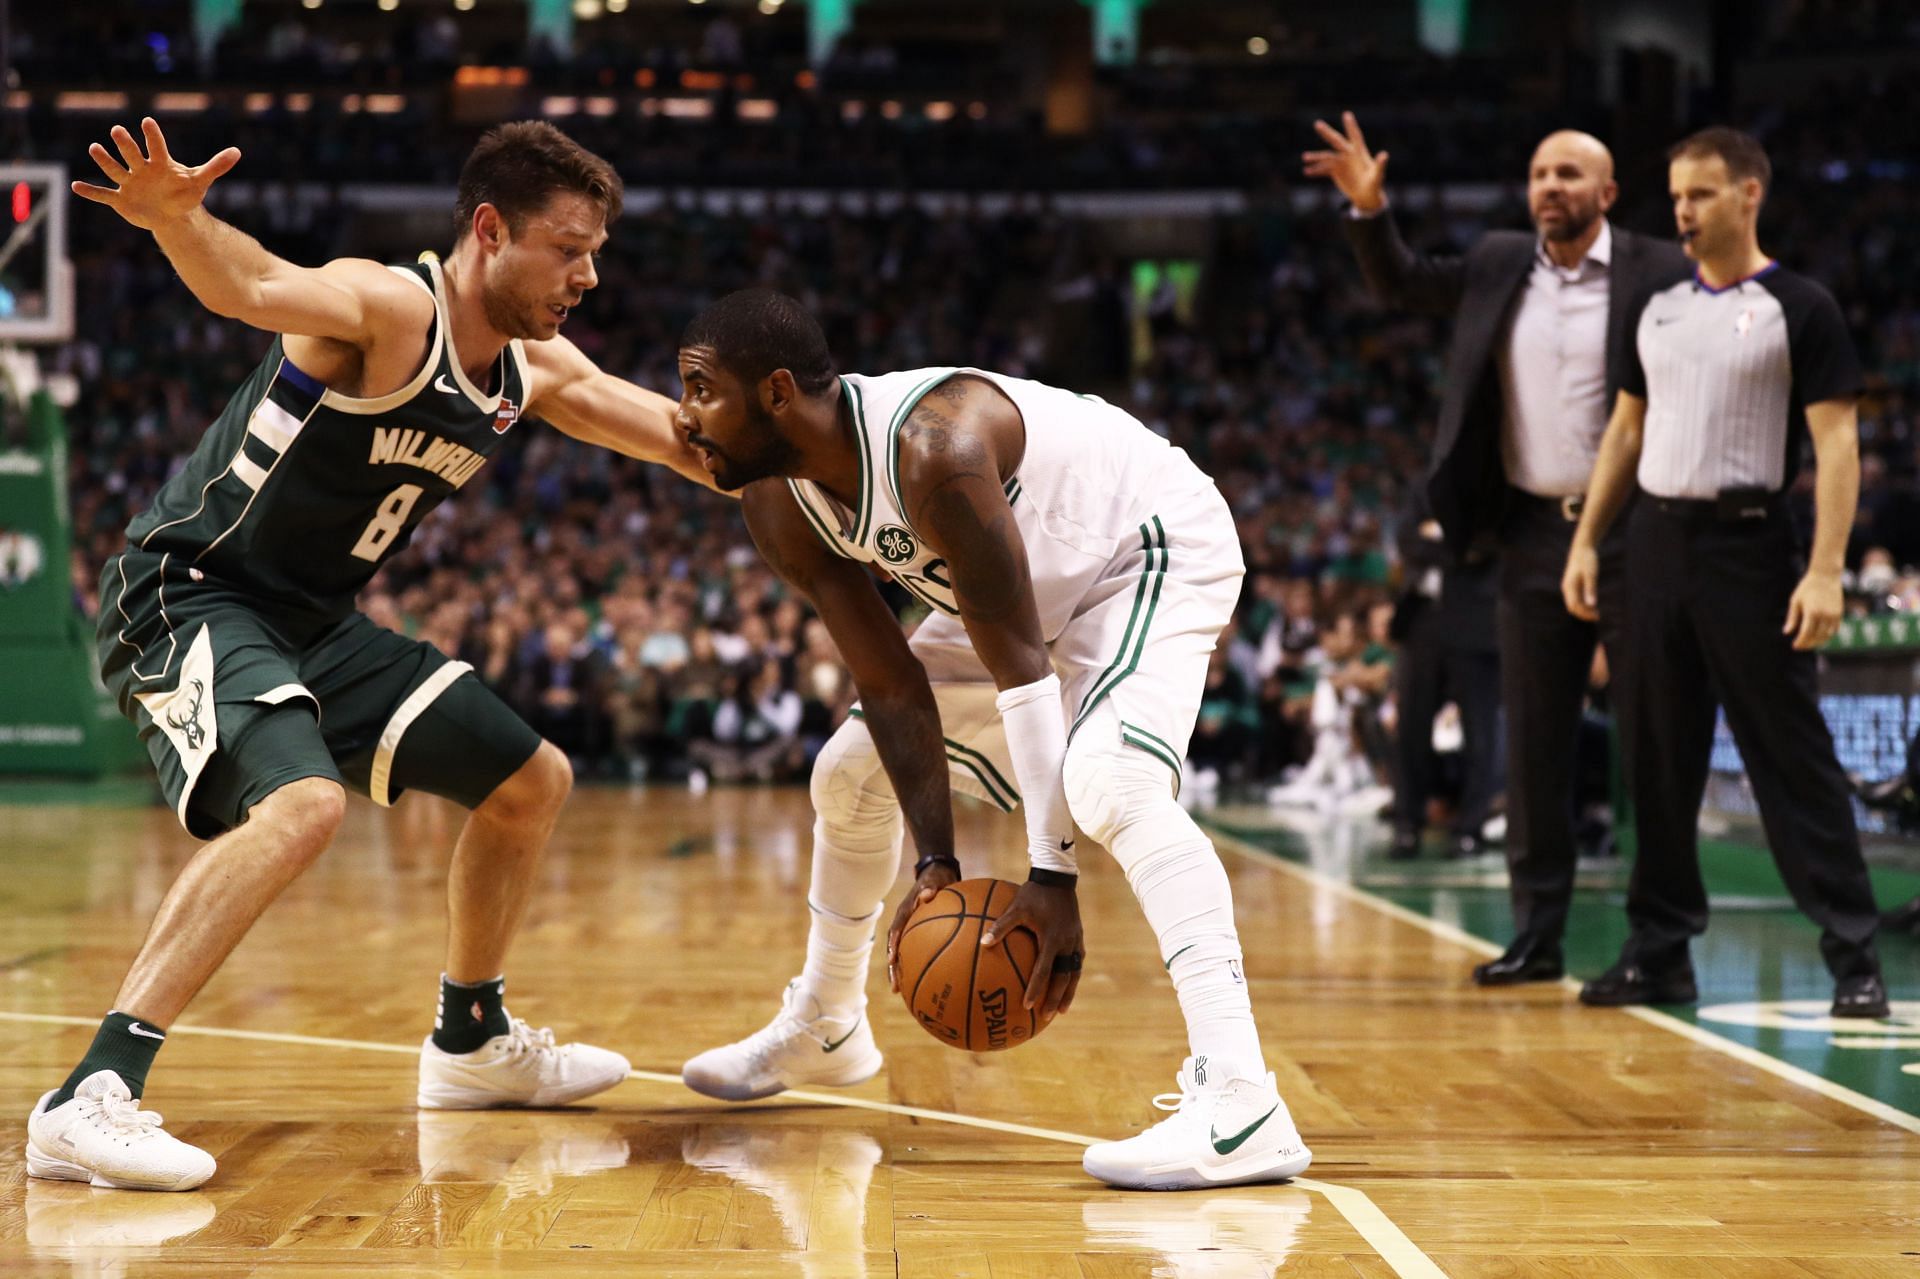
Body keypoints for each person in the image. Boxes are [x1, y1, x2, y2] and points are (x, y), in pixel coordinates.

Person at [27, 118, 717, 1192]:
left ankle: (472, 1041)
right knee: (303, 807)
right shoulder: (393, 307)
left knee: (529, 781)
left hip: (310, 622)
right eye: (568, 246)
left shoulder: (532, 369)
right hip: (188, 591)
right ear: (489, 231)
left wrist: (831, 441)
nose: (589, 273)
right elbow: (251, 284)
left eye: (597, 250)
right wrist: (178, 219)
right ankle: (91, 1092)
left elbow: (691, 442)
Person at [674, 289, 1311, 1192]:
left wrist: (1052, 877)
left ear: (777, 392)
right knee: (847, 773)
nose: (683, 416)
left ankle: (1243, 1100)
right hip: (1024, 601)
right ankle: (827, 1021)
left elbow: (1020, 668)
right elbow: (890, 682)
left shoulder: (934, 447)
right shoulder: (777, 502)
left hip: (1142, 551)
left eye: (700, 389)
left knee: (1111, 785)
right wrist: (935, 863)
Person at [1304, 113, 1690, 984]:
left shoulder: (1659, 271)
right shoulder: (1495, 262)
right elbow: (1401, 284)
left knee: (1653, 742)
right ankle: (1536, 935)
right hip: (1524, 532)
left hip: (1635, 531)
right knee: (1536, 742)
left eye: (1568, 173)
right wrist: (1370, 212)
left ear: (1607, 193)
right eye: (1538, 172)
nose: (1549, 185)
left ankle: (1662, 943)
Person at [1561, 127, 1888, 1018]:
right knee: (1657, 761)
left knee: (1791, 756)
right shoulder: (1659, 305)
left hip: (1750, 546)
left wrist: (1825, 570)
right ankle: (1659, 951)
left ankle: (1855, 955)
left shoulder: (1802, 306)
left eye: (1700, 194)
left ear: (1749, 194)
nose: (1682, 211)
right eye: (1675, 196)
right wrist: (1589, 539)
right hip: (1654, 547)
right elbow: (1626, 432)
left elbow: (1837, 444)